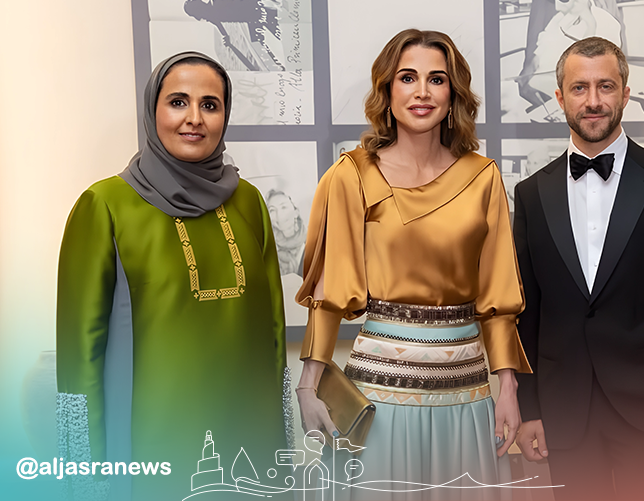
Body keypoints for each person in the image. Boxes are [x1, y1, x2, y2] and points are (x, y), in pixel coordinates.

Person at [293, 29, 531, 500]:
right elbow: (328, 290)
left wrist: (508, 389)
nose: (422, 92)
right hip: (378, 399)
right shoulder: (351, 174)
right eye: (407, 78)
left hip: (466, 396)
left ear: (453, 94)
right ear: (387, 90)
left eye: (436, 79)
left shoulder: (483, 177)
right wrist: (308, 385)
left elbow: (499, 297)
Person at [56, 52, 290, 501]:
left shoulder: (249, 202)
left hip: (251, 445)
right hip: (150, 453)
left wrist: (281, 441)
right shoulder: (105, 205)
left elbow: (275, 330)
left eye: (210, 105)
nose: (194, 118)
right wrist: (84, 475)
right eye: (178, 102)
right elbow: (78, 355)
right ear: (153, 109)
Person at [512, 36, 644, 500]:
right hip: (565, 411)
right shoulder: (531, 194)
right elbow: (527, 312)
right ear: (560, 97)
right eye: (579, 88)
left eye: (605, 86)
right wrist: (530, 406)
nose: (593, 101)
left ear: (625, 93)